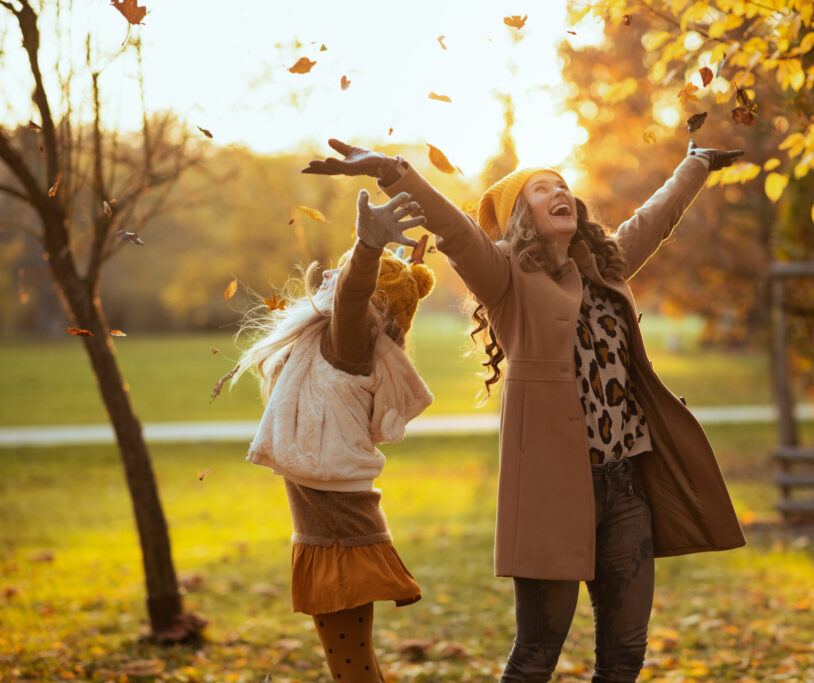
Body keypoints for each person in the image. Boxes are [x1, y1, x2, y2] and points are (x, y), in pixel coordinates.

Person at [303, 139, 747, 682]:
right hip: (554, 493)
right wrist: (397, 172)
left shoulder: (605, 266)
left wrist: (695, 161)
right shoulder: (506, 278)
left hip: (627, 488)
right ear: (522, 215)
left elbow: (656, 217)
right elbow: (457, 230)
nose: (561, 190)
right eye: (543, 188)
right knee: (537, 652)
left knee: (625, 654)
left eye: (563, 184)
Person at [234, 190, 436, 682]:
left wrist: (367, 248)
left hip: (339, 533)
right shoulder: (332, 345)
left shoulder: (347, 342)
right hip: (332, 527)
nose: (329, 274)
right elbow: (348, 290)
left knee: (352, 671)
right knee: (352, 668)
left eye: (342, 269)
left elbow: (351, 293)